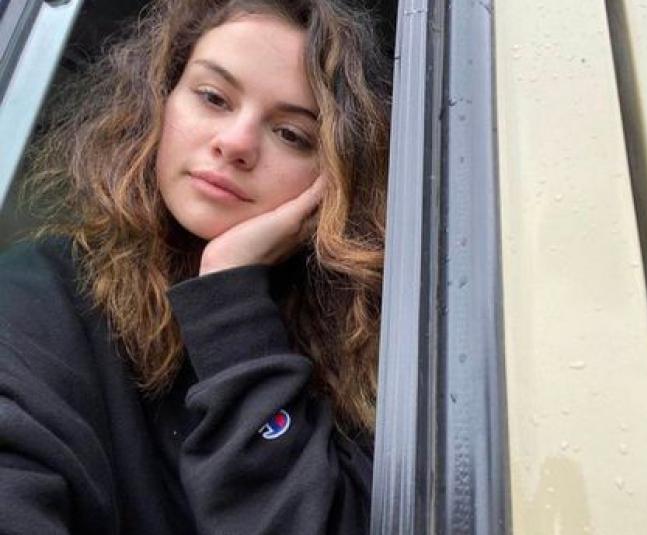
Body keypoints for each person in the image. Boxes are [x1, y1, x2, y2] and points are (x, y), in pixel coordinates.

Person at [0, 0, 390, 533]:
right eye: (213, 97)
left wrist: (231, 296)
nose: (235, 143)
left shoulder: (374, 353)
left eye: (292, 134)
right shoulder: (40, 297)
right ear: (160, 100)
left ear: (337, 176)